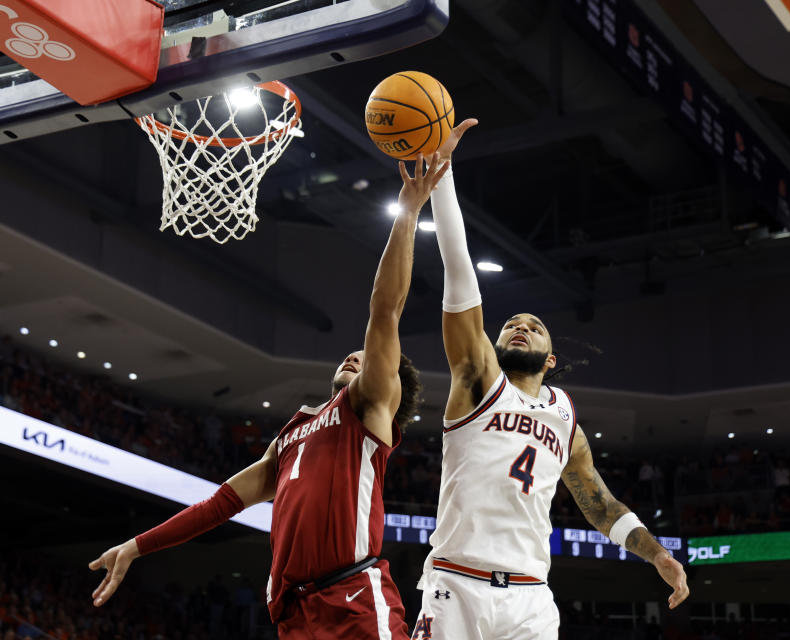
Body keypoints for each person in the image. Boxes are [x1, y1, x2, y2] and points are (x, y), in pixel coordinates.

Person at [88, 153, 451, 639]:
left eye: (364, 358)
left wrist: (408, 211)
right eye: (350, 354)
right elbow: (218, 505)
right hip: (294, 615)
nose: (354, 358)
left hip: (352, 601)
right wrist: (137, 545)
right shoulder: (292, 433)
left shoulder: (367, 412)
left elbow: (385, 311)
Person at [409, 120, 690, 640]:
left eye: (534, 327)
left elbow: (600, 506)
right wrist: (443, 178)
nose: (520, 326)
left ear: (551, 359)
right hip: (457, 586)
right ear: (493, 345)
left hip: (532, 598)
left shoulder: (566, 420)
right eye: (511, 324)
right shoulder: (476, 381)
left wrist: (657, 554)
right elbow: (458, 268)